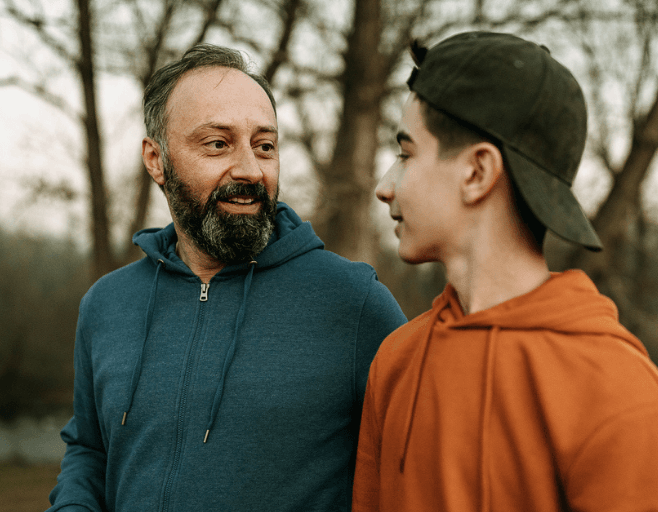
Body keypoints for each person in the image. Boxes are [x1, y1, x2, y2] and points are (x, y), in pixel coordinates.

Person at [47, 44, 407, 512]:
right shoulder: (106, 304)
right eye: (217, 144)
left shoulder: (353, 302)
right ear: (156, 160)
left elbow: (414, 470)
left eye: (265, 146)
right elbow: (89, 450)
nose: (248, 169)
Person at [353, 32, 658, 511]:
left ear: (477, 173)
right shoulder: (396, 362)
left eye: (406, 154)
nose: (386, 186)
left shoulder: (619, 392)